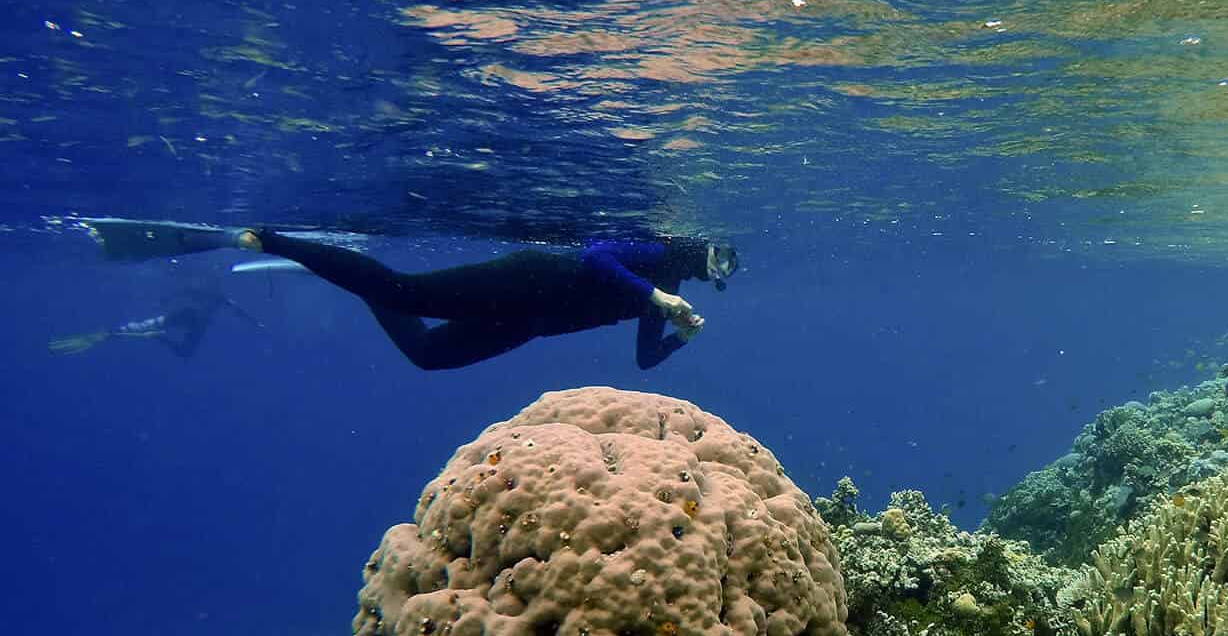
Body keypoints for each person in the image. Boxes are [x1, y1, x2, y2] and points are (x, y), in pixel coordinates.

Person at [79, 219, 739, 371]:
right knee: (404, 290)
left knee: (425, 356)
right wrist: (653, 294)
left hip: (530, 320)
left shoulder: (671, 288)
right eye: (713, 255)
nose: (708, 269)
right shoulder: (656, 255)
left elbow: (644, 362)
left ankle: (347, 273)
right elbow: (595, 256)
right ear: (697, 243)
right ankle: (263, 238)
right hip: (529, 279)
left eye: (718, 269)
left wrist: (682, 333)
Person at [48, 286, 259, 358]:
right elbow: (237, 310)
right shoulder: (220, 297)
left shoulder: (212, 294)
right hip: (193, 319)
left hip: (186, 315)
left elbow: (185, 292)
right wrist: (254, 323)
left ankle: (114, 334)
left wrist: (166, 300)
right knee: (184, 351)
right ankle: (143, 336)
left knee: (149, 326)